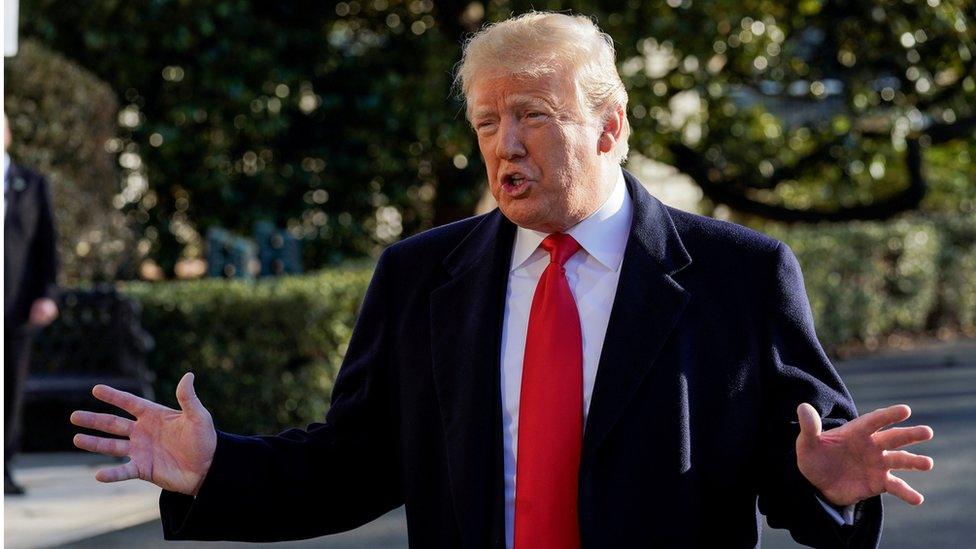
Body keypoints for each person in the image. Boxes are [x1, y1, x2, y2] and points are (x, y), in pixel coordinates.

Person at [71, 12, 935, 548]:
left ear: (611, 125)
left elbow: (801, 465)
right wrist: (219, 467)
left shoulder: (738, 275)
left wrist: (824, 485)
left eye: (532, 115)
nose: (504, 144)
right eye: (487, 120)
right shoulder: (419, 276)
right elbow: (356, 463)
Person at [4, 113, 60, 495]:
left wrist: (48, 296)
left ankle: (2, 467)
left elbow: (47, 247)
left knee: (8, 390)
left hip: (16, 309)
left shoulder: (32, 184)